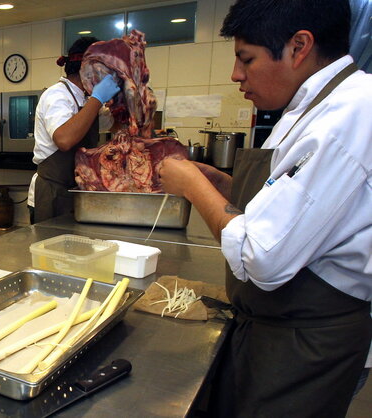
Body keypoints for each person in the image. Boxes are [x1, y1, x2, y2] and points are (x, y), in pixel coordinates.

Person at [158, 1, 371, 416]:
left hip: (305, 340)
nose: (237, 75)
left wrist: (194, 187)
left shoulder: (347, 115)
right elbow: (301, 205)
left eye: (246, 59)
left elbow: (263, 256)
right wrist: (224, 185)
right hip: (275, 326)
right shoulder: (307, 109)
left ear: (299, 46)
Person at [31, 36, 119, 223]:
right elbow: (64, 139)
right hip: (53, 194)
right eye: (104, 71)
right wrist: (97, 99)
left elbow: (110, 124)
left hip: (76, 191)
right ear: (88, 68)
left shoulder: (85, 100)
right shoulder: (57, 95)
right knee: (51, 250)